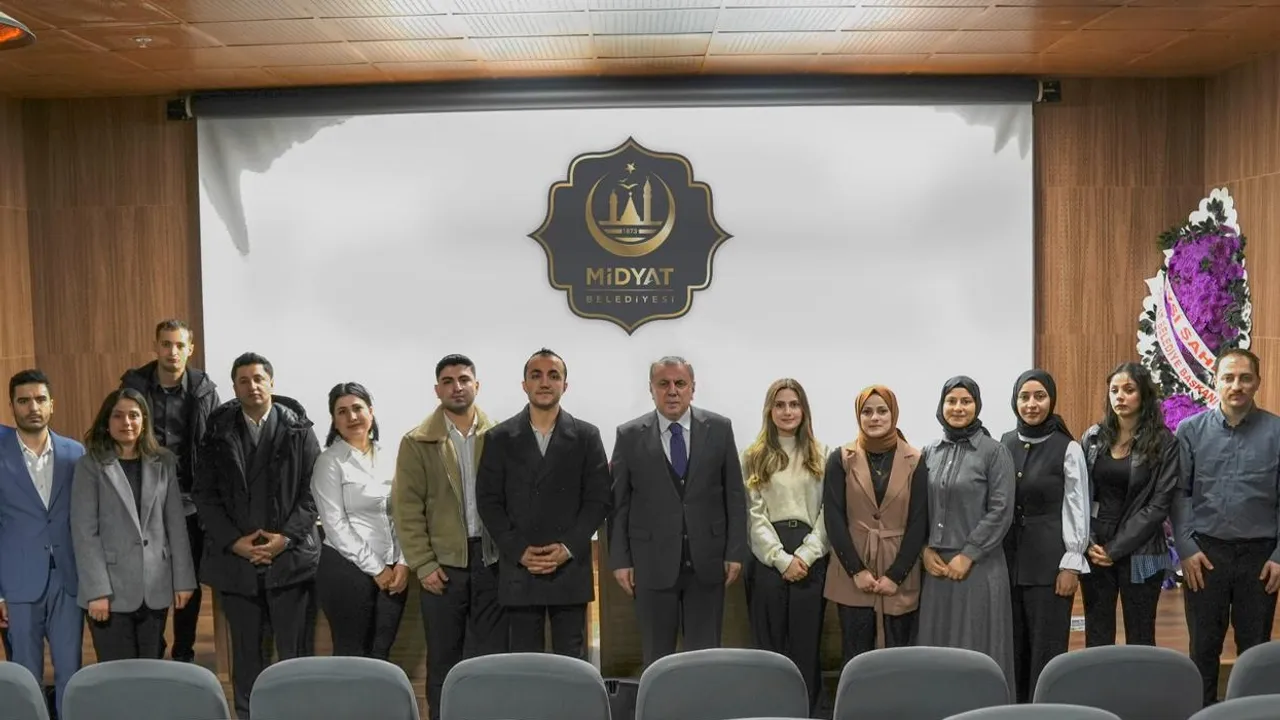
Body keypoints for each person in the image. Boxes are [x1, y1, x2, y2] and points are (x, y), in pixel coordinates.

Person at [194, 353, 321, 720]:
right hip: (236, 561)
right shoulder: (217, 432)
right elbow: (205, 495)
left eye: (258, 378)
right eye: (244, 381)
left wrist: (286, 538)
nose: (252, 386)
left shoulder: (299, 429)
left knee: (293, 654)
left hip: (290, 559)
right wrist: (235, 543)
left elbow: (314, 491)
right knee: (246, 655)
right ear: (234, 388)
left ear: (272, 383)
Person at [608, 356, 748, 666]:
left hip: (708, 563)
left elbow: (735, 496)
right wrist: (620, 560)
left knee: (705, 659)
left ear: (692, 388)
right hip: (651, 564)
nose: (672, 390)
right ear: (651, 389)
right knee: (657, 658)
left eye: (680, 383)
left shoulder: (719, 429)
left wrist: (735, 552)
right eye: (664, 384)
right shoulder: (629, 435)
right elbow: (619, 504)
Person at [393, 354, 507, 720]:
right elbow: (406, 508)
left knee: (490, 659)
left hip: (491, 561)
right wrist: (423, 564)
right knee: (444, 659)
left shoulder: (500, 435)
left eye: (463, 379)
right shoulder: (417, 441)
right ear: (437, 389)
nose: (457, 387)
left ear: (477, 385)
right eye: (448, 381)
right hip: (443, 566)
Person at [476, 348, 611, 658]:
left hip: (570, 567)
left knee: (572, 663)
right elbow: (488, 501)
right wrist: (518, 550)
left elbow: (599, 499)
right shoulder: (499, 438)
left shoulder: (587, 436)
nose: (545, 382)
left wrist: (568, 547)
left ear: (565, 385)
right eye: (536, 375)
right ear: (524, 384)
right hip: (520, 567)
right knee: (525, 663)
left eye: (554, 376)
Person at [1172, 348, 1280, 707]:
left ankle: (1253, 713)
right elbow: (1179, 494)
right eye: (1228, 378)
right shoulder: (1190, 431)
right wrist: (1186, 549)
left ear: (1258, 382)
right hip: (1205, 556)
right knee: (1203, 648)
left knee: (1255, 652)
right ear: (1215, 382)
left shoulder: (1277, 432)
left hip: (1260, 558)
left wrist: (1279, 556)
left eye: (1245, 378)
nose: (1237, 385)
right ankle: (1203, 713)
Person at [119, 318, 220, 663]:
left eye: (179, 345)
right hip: (145, 498)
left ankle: (184, 651)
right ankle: (154, 646)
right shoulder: (134, 386)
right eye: (166, 344)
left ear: (190, 349)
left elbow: (216, 444)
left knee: (188, 578)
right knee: (153, 574)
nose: (172, 352)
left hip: (190, 500)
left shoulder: (204, 390)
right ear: (156, 346)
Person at [71, 388, 197, 661]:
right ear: (107, 422)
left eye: (133, 415)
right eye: (118, 416)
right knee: (118, 673)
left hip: (155, 586)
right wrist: (96, 591)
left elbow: (176, 525)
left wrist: (184, 580)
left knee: (150, 670)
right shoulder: (90, 465)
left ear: (144, 420)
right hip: (110, 591)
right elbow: (84, 533)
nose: (126, 422)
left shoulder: (163, 461)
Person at [917, 376, 1016, 694]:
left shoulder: (994, 452)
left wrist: (968, 554)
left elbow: (1001, 510)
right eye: (951, 401)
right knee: (937, 649)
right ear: (941, 405)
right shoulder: (929, 452)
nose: (958, 408)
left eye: (966, 401)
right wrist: (924, 550)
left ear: (977, 406)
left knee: (978, 648)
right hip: (937, 570)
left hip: (979, 567)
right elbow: (918, 509)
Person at [999, 370, 1090, 703]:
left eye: (1039, 396)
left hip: (1050, 564)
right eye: (1024, 397)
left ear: (1051, 400)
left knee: (1046, 649)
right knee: (1013, 648)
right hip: (1008, 562)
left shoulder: (1068, 447)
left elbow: (1077, 506)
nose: (1031, 404)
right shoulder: (1005, 442)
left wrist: (1071, 564)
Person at [0, 370, 84, 718]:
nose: (33, 407)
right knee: (25, 676)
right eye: (24, 401)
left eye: (40, 399)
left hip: (68, 580)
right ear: (12, 406)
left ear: (52, 404)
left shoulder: (75, 453)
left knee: (71, 673)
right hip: (17, 583)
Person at [742, 379, 829, 715]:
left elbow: (827, 515)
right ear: (770, 410)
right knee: (771, 648)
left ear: (804, 410)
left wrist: (805, 555)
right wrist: (780, 559)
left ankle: (808, 713)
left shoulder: (822, 453)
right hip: (768, 559)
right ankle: (771, 712)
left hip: (810, 558)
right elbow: (754, 515)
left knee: (806, 646)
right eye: (780, 405)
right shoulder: (753, 456)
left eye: (794, 404)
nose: (787, 411)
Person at [824, 385, 929, 664]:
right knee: (855, 656)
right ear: (858, 416)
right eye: (867, 412)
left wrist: (896, 575)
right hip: (852, 572)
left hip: (900, 571)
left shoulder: (915, 460)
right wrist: (856, 571)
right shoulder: (840, 458)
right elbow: (833, 518)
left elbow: (919, 521)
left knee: (898, 658)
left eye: (882, 411)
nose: (874, 418)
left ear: (893, 414)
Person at [1078, 362, 1177, 650]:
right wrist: (1090, 542)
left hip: (1145, 550)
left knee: (1141, 634)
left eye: (1129, 390)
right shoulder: (1093, 437)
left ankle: (1140, 682)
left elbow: (1159, 506)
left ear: (1144, 395)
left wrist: (1116, 548)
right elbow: (1079, 495)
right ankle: (1097, 681)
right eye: (1114, 390)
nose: (1120, 396)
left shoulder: (1164, 442)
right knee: (1097, 634)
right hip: (1096, 548)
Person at [312, 382, 408, 660]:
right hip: (346, 570)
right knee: (352, 655)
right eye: (342, 411)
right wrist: (377, 569)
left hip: (394, 570)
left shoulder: (390, 456)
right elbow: (334, 524)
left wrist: (404, 563)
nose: (352, 416)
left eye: (357, 408)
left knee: (381, 653)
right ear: (334, 420)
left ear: (371, 412)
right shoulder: (329, 461)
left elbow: (406, 512)